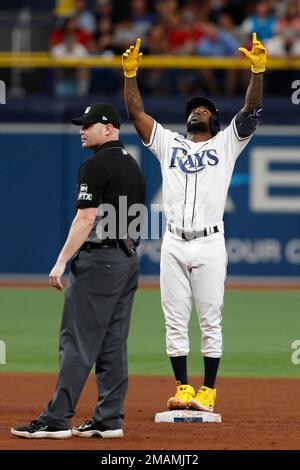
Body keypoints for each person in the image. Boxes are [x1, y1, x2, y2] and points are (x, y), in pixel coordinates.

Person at [122, 34, 266, 412]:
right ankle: (183, 387)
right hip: (173, 241)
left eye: (203, 110)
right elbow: (137, 115)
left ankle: (209, 390)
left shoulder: (226, 144)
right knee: (173, 318)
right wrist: (130, 74)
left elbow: (251, 108)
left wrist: (258, 70)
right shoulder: (170, 144)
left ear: (215, 121)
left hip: (209, 242)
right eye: (193, 108)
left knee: (209, 318)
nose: (197, 111)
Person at [11, 103, 145, 439]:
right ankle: (109, 418)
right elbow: (138, 220)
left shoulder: (95, 165)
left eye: (88, 125)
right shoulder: (133, 166)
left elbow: (85, 218)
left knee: (77, 341)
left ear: (110, 128)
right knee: (113, 343)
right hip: (128, 260)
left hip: (101, 262)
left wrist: (61, 261)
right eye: (80, 125)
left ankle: (56, 420)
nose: (82, 130)